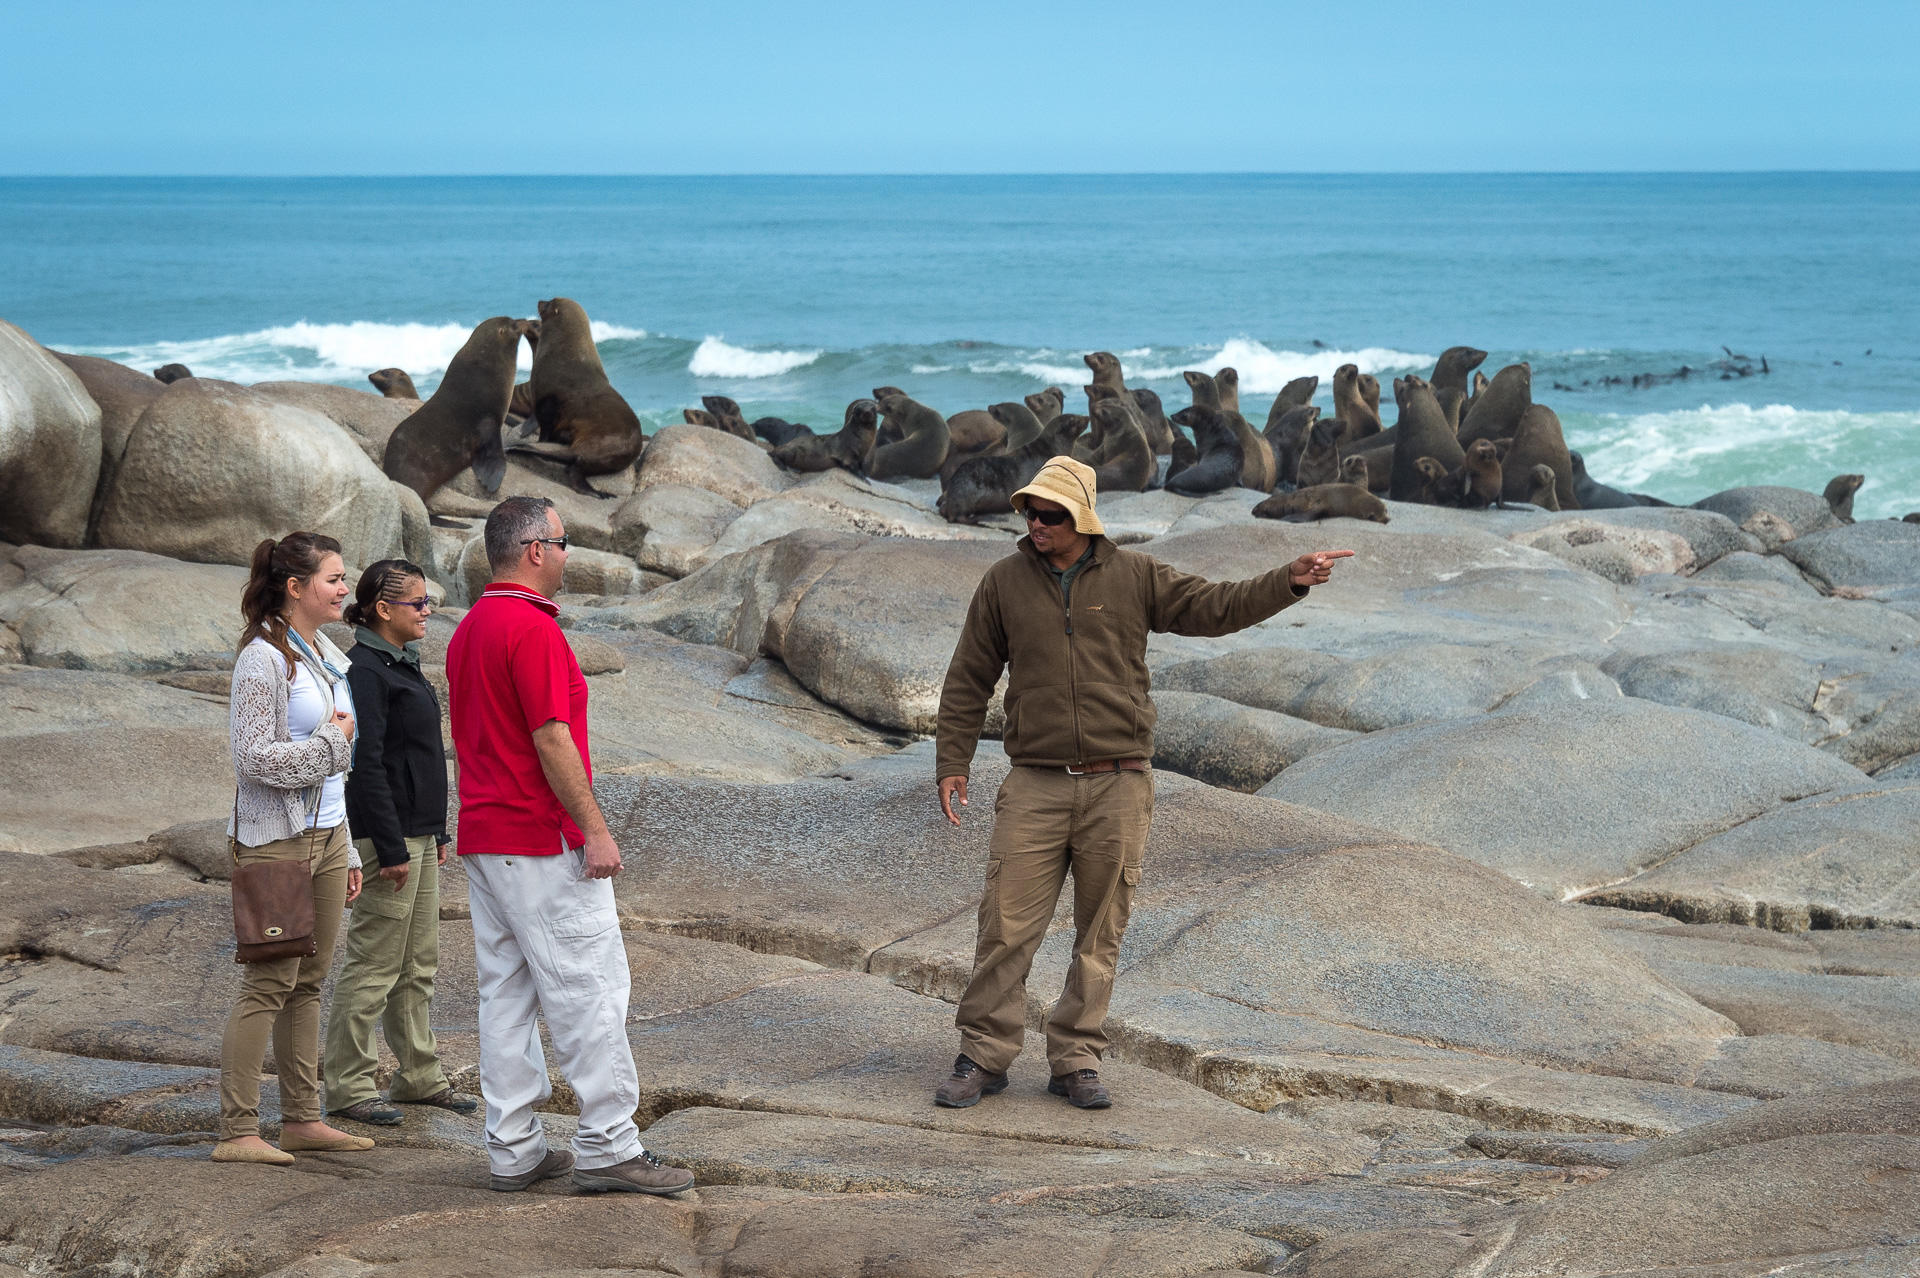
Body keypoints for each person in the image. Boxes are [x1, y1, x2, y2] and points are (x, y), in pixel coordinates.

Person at [931, 456, 1352, 1110]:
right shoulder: (1003, 583)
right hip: (1035, 783)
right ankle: (982, 1054)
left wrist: (1287, 581)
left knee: (1102, 929)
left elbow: (1216, 607)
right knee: (1005, 926)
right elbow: (968, 679)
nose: (1036, 524)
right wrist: (952, 761)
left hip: (1118, 783)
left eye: (1050, 514)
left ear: (1083, 519)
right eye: (1029, 512)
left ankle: (1075, 1059)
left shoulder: (1135, 575)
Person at [446, 496, 694, 1196]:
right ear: (532, 550)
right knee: (589, 989)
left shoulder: (468, 630)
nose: (566, 556)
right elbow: (551, 736)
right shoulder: (531, 629)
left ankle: (514, 1149)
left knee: (506, 997)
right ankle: (610, 1145)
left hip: (486, 836)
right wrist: (595, 830)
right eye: (561, 543)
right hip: (535, 836)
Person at [215, 532, 373, 1164]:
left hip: (328, 835)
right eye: (333, 579)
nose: (344, 588)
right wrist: (331, 747)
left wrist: (351, 849)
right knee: (268, 982)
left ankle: (303, 1118)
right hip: (276, 840)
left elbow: (336, 757)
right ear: (296, 587)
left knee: (310, 980)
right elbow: (252, 759)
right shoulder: (262, 658)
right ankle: (237, 1130)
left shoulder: (322, 650)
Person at [323, 560, 478, 1125]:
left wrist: (435, 832)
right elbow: (365, 767)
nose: (428, 612)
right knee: (375, 963)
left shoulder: (402, 665)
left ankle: (418, 1077)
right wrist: (388, 848)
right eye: (418, 604)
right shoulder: (365, 670)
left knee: (418, 965)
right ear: (383, 611)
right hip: (385, 840)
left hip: (418, 835)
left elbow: (417, 759)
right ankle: (347, 1085)